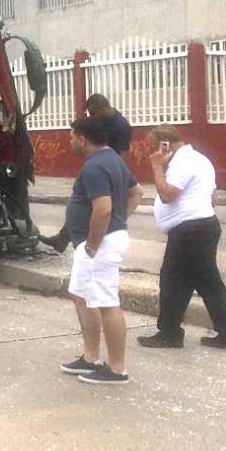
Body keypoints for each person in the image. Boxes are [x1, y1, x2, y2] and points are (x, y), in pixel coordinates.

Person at [137, 126, 226, 351]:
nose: (151, 152)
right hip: (202, 227)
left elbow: (167, 195)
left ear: (164, 145)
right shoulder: (200, 159)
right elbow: (212, 196)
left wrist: (157, 167)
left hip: (190, 232)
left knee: (173, 281)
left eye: (153, 146)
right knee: (203, 283)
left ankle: (170, 334)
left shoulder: (182, 163)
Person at [59, 116, 144, 385]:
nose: (70, 140)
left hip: (98, 244)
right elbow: (137, 192)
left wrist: (95, 242)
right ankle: (90, 356)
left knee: (107, 303)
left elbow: (104, 207)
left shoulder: (95, 166)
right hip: (100, 240)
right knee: (81, 295)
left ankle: (117, 369)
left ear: (82, 139)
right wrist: (119, 221)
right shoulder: (113, 159)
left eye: (72, 136)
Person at [40, 93, 134, 252]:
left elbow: (123, 154)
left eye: (93, 113)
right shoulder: (102, 120)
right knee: (81, 204)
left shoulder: (120, 125)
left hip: (108, 170)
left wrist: (117, 174)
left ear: (103, 108)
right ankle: (63, 239)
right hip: (99, 165)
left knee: (98, 207)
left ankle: (78, 238)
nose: (92, 117)